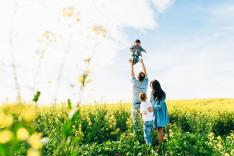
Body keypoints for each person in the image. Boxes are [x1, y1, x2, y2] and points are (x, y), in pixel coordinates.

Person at [129, 59, 149, 125]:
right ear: (144, 78)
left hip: (135, 105)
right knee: (143, 123)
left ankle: (136, 135)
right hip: (143, 105)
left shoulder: (134, 82)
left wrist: (131, 64)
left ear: (137, 77)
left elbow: (132, 73)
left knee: (135, 124)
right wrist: (142, 63)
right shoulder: (146, 83)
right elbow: (145, 72)